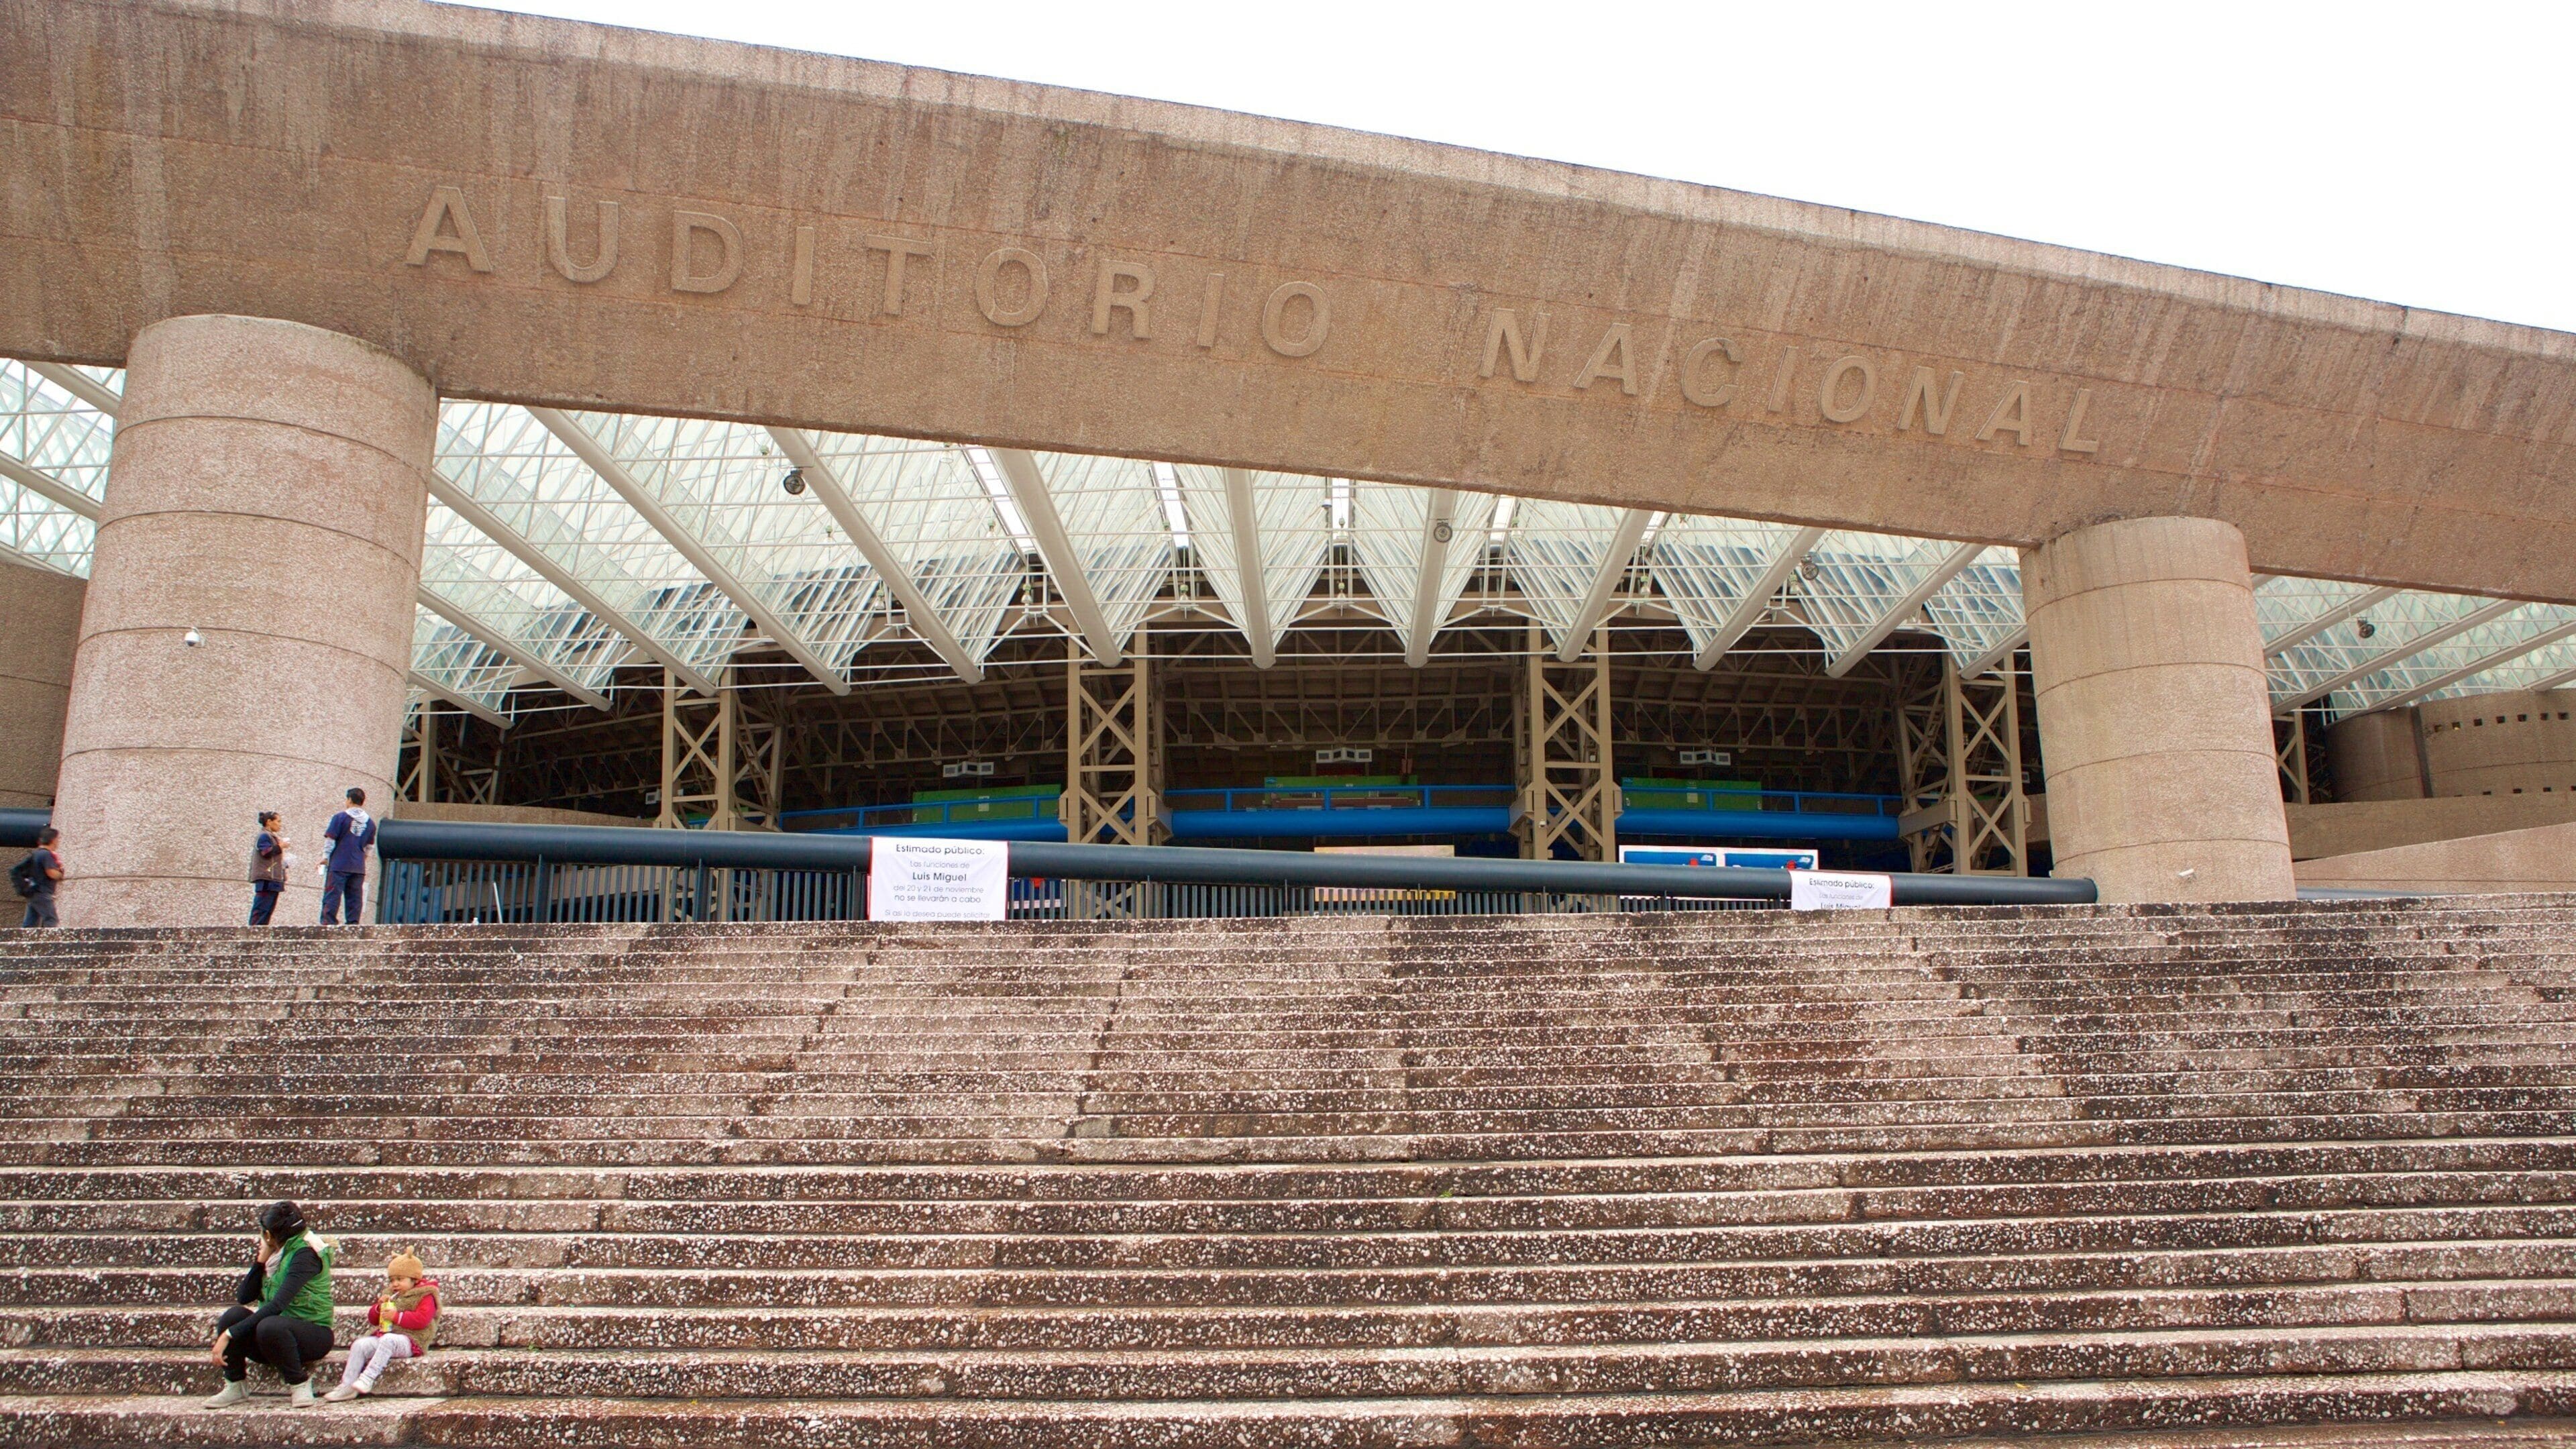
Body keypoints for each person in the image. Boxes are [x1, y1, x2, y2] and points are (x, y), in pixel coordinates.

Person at [203, 1201, 336, 1409]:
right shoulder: (276, 1254)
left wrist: (229, 1334)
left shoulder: (307, 1254)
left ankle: (299, 1383)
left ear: (268, 1234)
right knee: (233, 1316)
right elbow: (244, 1297)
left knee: (270, 1325)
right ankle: (236, 1385)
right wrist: (260, 1261)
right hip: (274, 1339)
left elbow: (278, 1305)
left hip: (313, 1335)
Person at [326, 1249, 439, 1401]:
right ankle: (347, 1385)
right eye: (392, 1280)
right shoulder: (391, 1295)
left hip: (412, 1341)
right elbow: (373, 1320)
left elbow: (422, 1319)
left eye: (400, 1279)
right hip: (387, 1336)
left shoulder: (426, 1295)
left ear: (415, 1279)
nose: (395, 1284)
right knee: (360, 1345)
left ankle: (368, 1377)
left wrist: (396, 1317)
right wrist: (379, 1308)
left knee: (388, 1340)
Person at [317, 788, 376, 926]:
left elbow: (330, 840)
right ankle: (353, 925)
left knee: (333, 895)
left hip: (339, 863)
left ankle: (328, 923)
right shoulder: (370, 823)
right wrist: (362, 859)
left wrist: (325, 858)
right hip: (358, 866)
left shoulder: (340, 817)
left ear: (349, 800)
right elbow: (370, 847)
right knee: (355, 898)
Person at [11, 826, 62, 928]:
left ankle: (23, 938)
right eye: (58, 839)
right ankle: (50, 939)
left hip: (33, 891)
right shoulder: (46, 854)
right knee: (51, 919)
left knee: (30, 922)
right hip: (42, 892)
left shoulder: (36, 854)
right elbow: (51, 873)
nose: (58, 842)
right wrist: (61, 873)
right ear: (53, 840)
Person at [248, 812, 290, 926]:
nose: (280, 825)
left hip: (274, 879)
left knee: (268, 911)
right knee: (261, 909)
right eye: (278, 821)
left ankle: (261, 931)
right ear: (269, 822)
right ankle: (254, 931)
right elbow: (266, 852)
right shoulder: (264, 836)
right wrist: (280, 846)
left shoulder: (273, 837)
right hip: (266, 879)